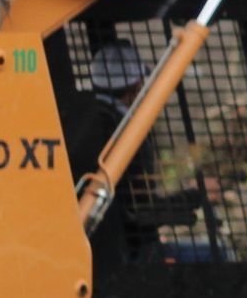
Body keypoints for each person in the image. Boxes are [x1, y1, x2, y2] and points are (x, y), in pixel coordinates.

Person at [64, 35, 219, 261]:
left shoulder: (79, 122)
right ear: (136, 86)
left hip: (96, 253)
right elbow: (139, 210)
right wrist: (195, 196)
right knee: (218, 254)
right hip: (131, 256)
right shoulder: (125, 134)